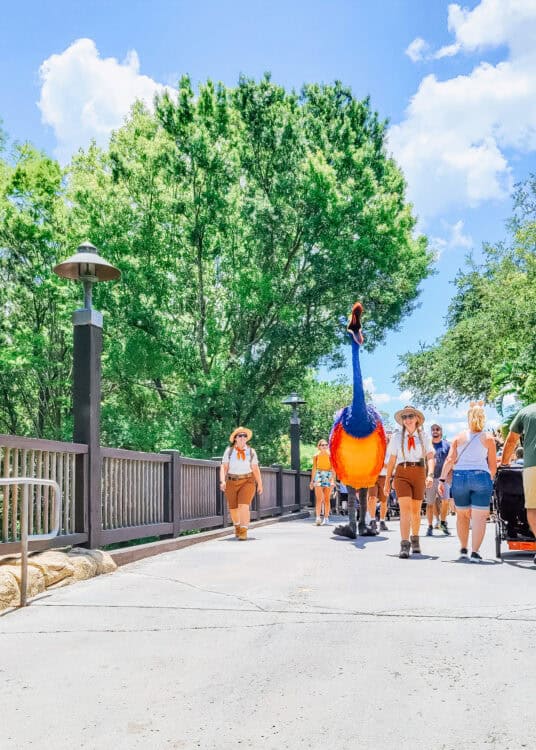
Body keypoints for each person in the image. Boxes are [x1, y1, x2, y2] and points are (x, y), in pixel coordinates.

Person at [438, 402, 496, 562]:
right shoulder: (489, 438)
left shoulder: (459, 437)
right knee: (479, 517)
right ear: (483, 418)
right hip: (481, 477)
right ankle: (475, 552)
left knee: (462, 516)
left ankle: (463, 548)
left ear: (468, 418)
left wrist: (442, 480)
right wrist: (487, 479)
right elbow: (493, 467)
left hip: (460, 478)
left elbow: (450, 460)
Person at [384, 406, 434, 559]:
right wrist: (387, 481)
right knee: (405, 509)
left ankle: (415, 539)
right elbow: (392, 460)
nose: (407, 419)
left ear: (417, 418)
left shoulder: (424, 436)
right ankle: (404, 545)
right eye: (404, 417)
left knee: (416, 511)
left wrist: (430, 474)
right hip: (401, 473)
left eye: (410, 416)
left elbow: (430, 456)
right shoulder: (397, 437)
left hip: (419, 473)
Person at [500, 402, 536, 561]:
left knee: (533, 507)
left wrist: (505, 462)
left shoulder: (527, 411)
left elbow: (511, 439)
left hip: (533, 465)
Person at [220, 427, 263, 541]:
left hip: (247, 481)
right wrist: (222, 481)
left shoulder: (251, 451)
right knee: (233, 509)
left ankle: (244, 530)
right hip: (231, 481)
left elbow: (255, 468)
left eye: (245, 436)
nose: (243, 437)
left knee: (243, 506)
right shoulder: (229, 451)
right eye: (240, 435)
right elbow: (224, 467)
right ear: (235, 438)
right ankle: (237, 526)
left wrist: (260, 483)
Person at [425, 424, 451, 536]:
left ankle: (443, 523)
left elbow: (451, 460)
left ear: (441, 431)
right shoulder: (428, 444)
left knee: (445, 501)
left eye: (437, 429)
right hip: (430, 478)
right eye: (433, 429)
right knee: (430, 503)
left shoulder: (447, 445)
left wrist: (449, 475)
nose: (435, 431)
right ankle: (430, 526)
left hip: (443, 478)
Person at [368, 430, 392, 532]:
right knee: (372, 498)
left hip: (384, 477)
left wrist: (384, 465)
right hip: (373, 476)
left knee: (383, 501)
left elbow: (392, 466)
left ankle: (382, 521)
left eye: (386, 439)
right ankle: (373, 520)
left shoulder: (391, 452)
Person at [310, 439, 335, 525]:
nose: (324, 446)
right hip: (319, 474)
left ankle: (326, 518)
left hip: (328, 474)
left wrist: (332, 480)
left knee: (327, 499)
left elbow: (333, 468)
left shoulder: (330, 455)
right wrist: (312, 481)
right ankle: (317, 518)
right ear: (319, 446)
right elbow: (314, 468)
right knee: (319, 499)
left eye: (326, 445)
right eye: (322, 445)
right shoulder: (316, 455)